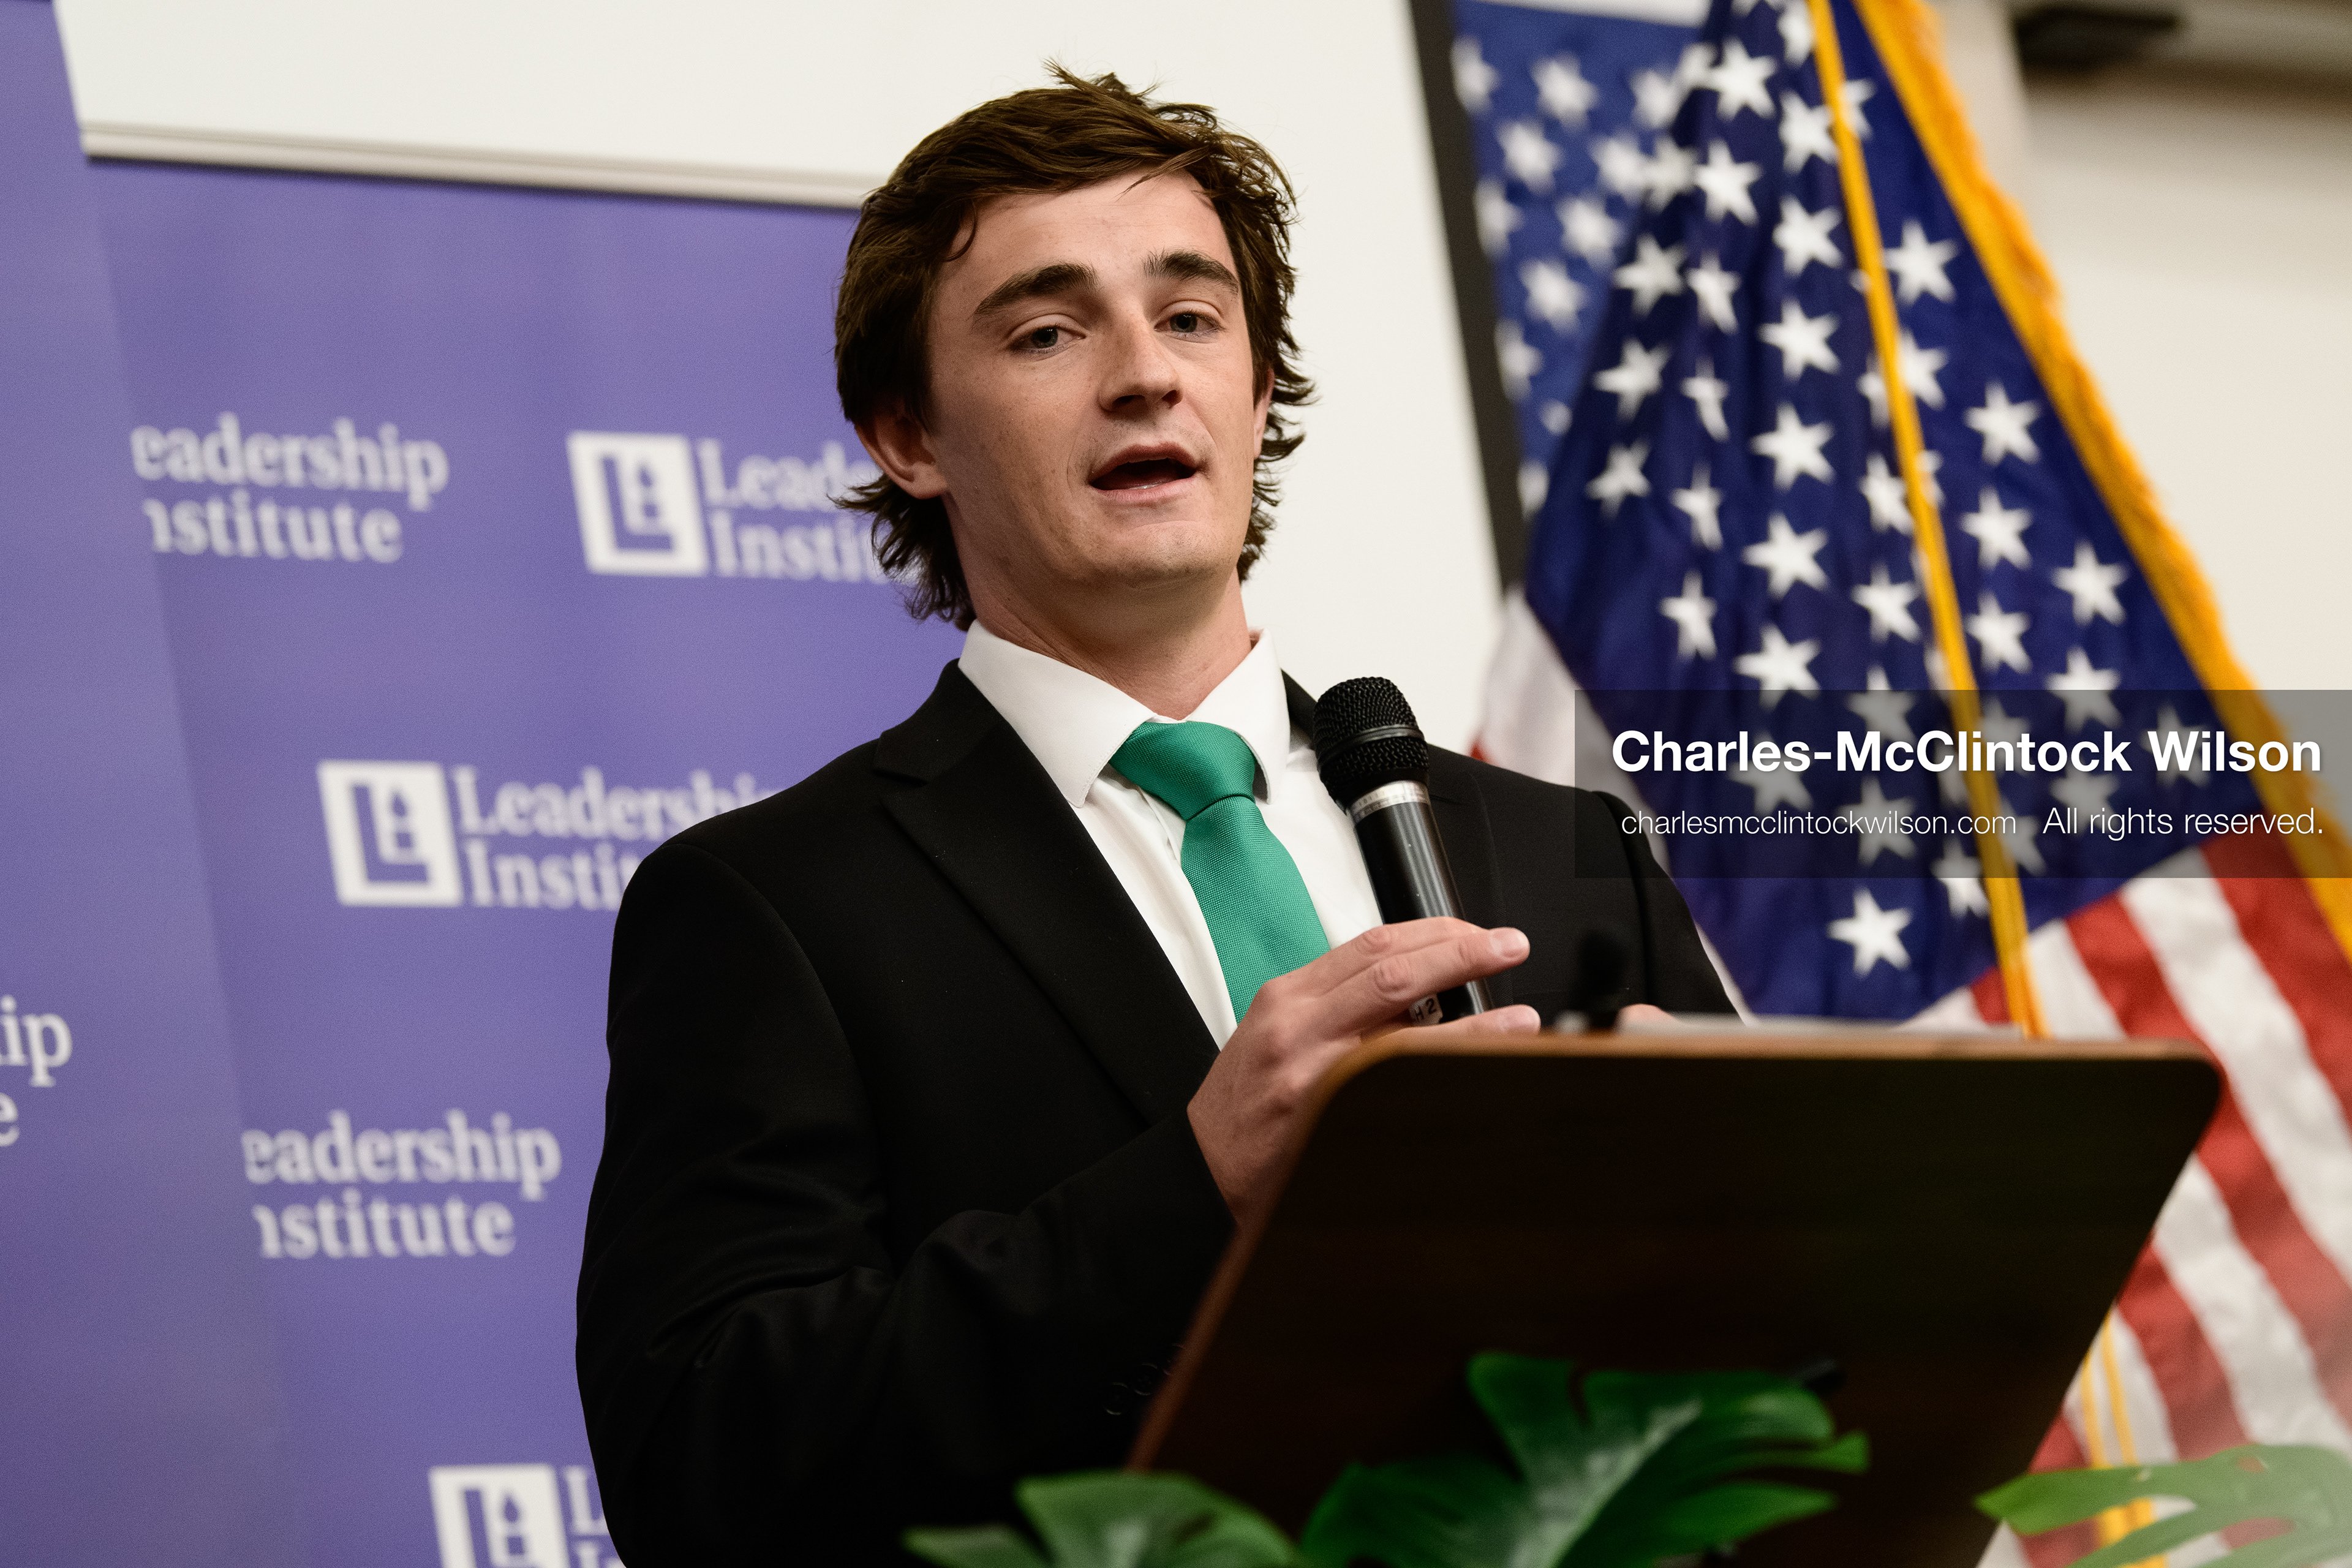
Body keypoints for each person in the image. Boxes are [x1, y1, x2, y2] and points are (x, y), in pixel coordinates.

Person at [576, 67, 1730, 1567]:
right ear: (906, 437)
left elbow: (1789, 1361)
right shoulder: (773, 906)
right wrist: (1190, 1187)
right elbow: (707, 1461)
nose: (1144, 373)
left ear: (1258, 390)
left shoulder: (1566, 859)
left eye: (1192, 316)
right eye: (1049, 330)